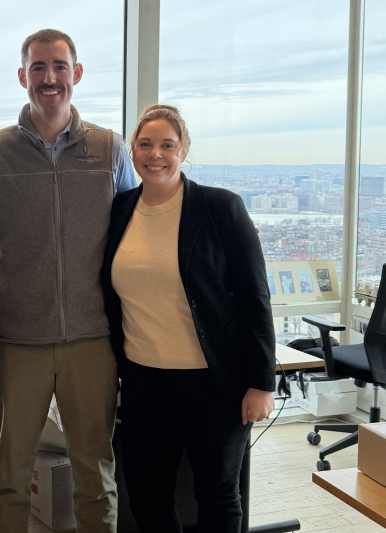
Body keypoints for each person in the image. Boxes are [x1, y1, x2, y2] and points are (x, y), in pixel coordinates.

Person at [0, 28, 137, 533]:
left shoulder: (110, 150)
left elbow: (136, 227)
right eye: (38, 68)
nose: (49, 78)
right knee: (11, 474)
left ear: (76, 74)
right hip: (19, 339)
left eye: (59, 66)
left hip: (92, 338)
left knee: (95, 472)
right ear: (23, 77)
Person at [101, 104, 276, 533]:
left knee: (216, 493)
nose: (154, 154)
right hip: (145, 381)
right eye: (145, 144)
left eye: (167, 145)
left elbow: (255, 298)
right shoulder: (121, 209)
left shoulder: (220, 208)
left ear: (184, 151)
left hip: (214, 382)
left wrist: (261, 382)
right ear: (132, 150)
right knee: (146, 493)